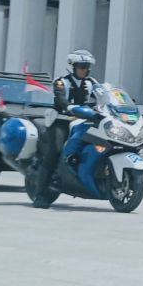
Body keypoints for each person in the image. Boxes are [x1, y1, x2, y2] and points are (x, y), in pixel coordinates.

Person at [35, 49, 99, 208]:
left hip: (83, 122)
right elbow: (61, 98)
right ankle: (40, 195)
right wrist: (70, 107)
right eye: (81, 66)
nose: (85, 70)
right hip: (62, 121)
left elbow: (103, 95)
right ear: (73, 66)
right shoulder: (61, 82)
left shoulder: (93, 83)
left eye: (87, 67)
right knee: (55, 152)